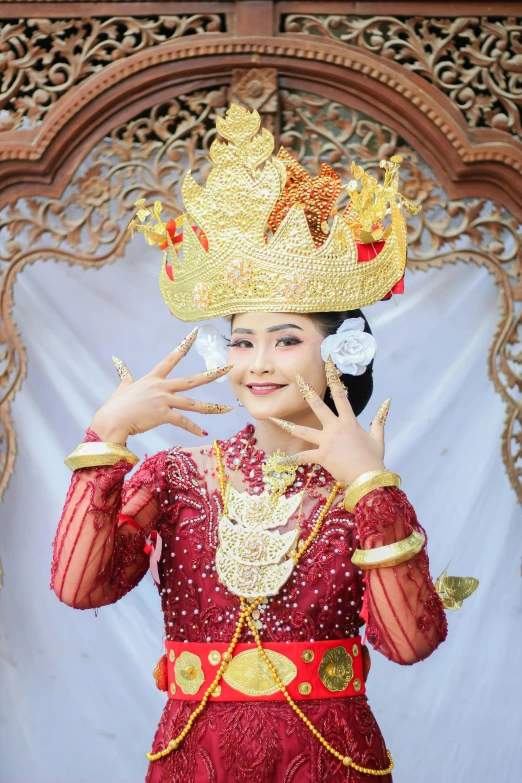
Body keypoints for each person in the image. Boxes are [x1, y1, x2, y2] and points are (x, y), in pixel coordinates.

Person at [51, 105, 448, 783]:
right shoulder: (176, 476)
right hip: (194, 759)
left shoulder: (362, 490)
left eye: (286, 338)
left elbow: (411, 642)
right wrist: (106, 435)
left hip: (333, 761)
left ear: (342, 350)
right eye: (242, 340)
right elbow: (77, 586)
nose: (257, 361)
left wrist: (371, 488)